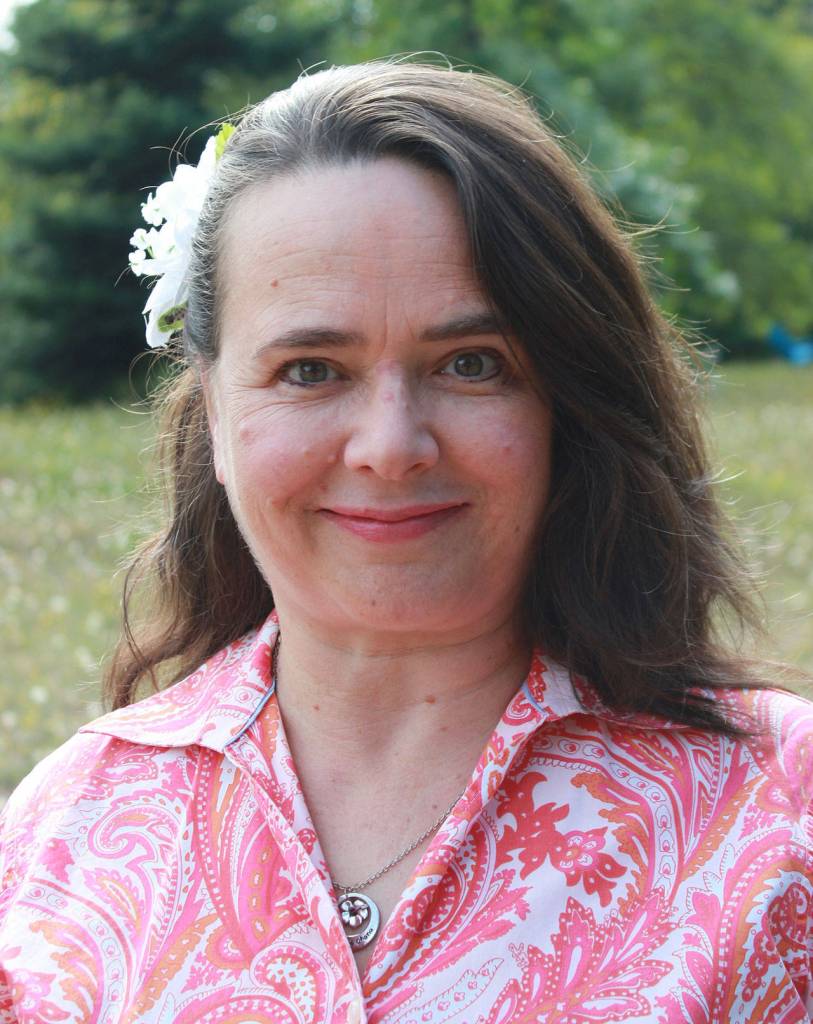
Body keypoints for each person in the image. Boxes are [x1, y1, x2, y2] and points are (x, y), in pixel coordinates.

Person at [1, 59, 811, 1024]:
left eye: (471, 364)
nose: (389, 447)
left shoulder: (781, 819)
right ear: (214, 410)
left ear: (569, 399)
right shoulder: (63, 835)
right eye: (311, 370)